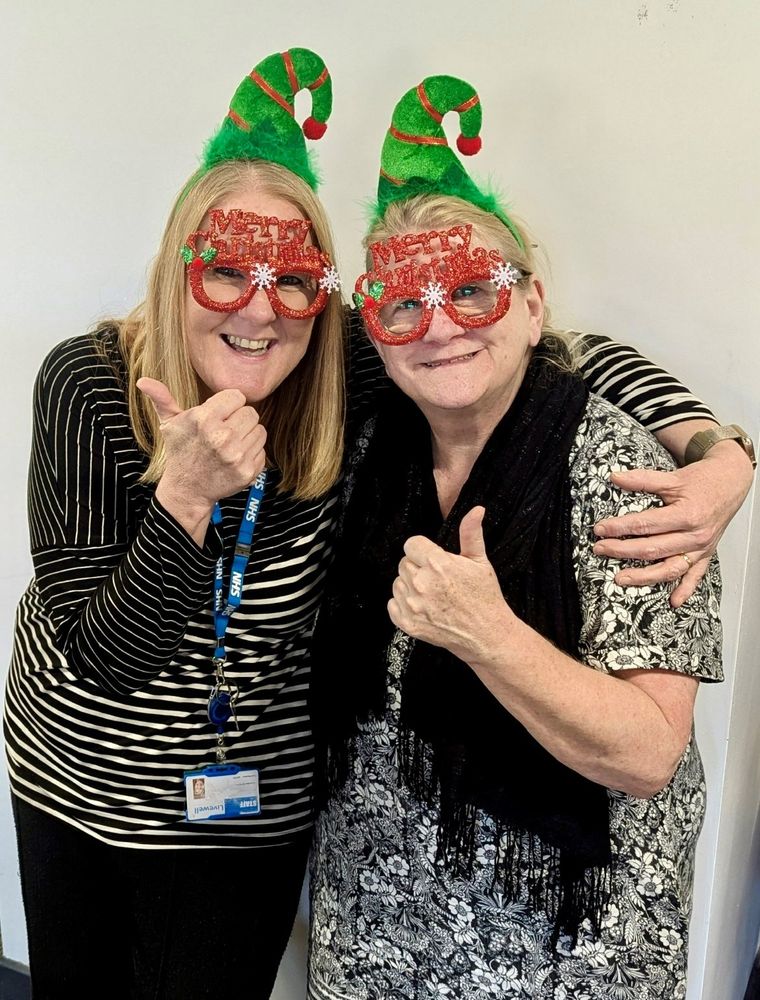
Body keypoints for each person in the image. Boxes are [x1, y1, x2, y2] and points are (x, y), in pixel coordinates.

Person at [3, 52, 751, 1000]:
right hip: (84, 785)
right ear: (174, 269)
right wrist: (182, 499)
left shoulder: (346, 373)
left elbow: (542, 351)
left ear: (326, 298)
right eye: (224, 272)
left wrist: (720, 451)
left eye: (293, 280)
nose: (259, 309)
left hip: (253, 807)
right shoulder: (88, 382)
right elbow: (111, 658)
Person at [307, 73, 755, 999]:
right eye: (403, 304)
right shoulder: (363, 448)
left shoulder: (625, 474)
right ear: (374, 330)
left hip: (562, 948)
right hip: (377, 928)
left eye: (473, 292)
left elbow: (644, 753)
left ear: (533, 304)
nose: (439, 328)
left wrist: (490, 636)